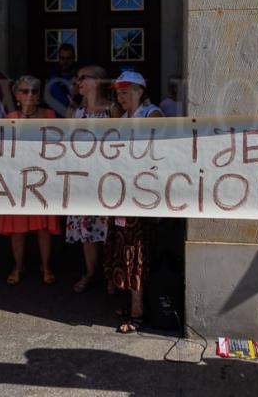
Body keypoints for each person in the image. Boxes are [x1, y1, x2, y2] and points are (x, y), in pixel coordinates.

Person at [105, 71, 163, 333]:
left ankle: (138, 312)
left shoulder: (152, 114)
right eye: (118, 92)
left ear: (140, 91)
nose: (121, 96)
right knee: (121, 249)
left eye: (126, 91)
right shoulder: (123, 115)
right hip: (121, 192)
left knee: (136, 252)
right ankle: (129, 303)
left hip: (141, 195)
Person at [0, 75, 61, 286]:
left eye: (34, 91)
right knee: (17, 228)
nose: (30, 95)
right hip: (17, 178)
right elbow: (3, 151)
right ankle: (17, 266)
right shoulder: (9, 118)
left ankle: (46, 265)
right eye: (25, 91)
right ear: (16, 95)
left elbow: (59, 147)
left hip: (43, 178)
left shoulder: (50, 115)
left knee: (43, 227)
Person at [67, 66, 113, 293]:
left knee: (108, 229)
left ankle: (112, 274)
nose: (79, 81)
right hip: (83, 178)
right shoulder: (77, 112)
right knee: (87, 230)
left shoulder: (112, 109)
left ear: (97, 82)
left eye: (84, 77)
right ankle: (90, 272)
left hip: (107, 177)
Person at [45, 43, 77, 117]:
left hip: (75, 121)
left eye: (68, 58)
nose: (65, 62)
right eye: (62, 58)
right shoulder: (51, 79)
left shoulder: (80, 79)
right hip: (55, 121)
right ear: (59, 59)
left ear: (73, 58)